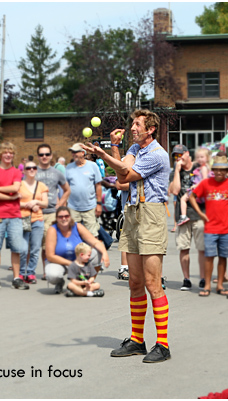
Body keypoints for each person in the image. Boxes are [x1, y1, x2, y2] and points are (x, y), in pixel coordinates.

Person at [82, 109, 172, 363]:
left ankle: (163, 344)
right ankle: (137, 340)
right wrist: (115, 148)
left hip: (151, 215)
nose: (132, 127)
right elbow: (123, 175)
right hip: (132, 213)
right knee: (134, 282)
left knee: (153, 283)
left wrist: (103, 153)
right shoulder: (135, 149)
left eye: (137, 124)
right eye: (132, 123)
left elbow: (128, 176)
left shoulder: (157, 154)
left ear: (150, 129)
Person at [189, 155, 228, 297]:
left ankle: (220, 285)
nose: (219, 172)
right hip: (210, 227)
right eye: (217, 170)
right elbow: (192, 196)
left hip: (226, 227)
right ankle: (207, 285)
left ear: (226, 171)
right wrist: (201, 214)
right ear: (213, 170)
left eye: (223, 170)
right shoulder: (206, 183)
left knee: (223, 257)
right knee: (209, 257)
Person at [0, 142, 28, 291]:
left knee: (16, 248)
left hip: (14, 215)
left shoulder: (16, 172)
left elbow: (15, 187)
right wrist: (11, 197)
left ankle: (17, 278)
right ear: (0, 154)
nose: (8, 155)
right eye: (5, 152)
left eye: (11, 153)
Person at [45, 206, 109, 294]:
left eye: (66, 216)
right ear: (56, 218)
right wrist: (72, 264)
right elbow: (50, 256)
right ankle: (60, 282)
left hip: (79, 260)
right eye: (60, 217)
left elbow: (95, 242)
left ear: (70, 217)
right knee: (52, 275)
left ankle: (87, 282)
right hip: (60, 262)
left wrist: (105, 253)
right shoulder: (52, 230)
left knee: (98, 252)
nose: (64, 219)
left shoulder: (77, 226)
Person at [169, 144, 206, 291]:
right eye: (176, 156)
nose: (179, 158)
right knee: (184, 248)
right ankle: (186, 279)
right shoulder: (174, 172)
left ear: (187, 154)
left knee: (202, 248)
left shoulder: (198, 167)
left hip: (199, 213)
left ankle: (203, 278)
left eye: (180, 155)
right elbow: (175, 190)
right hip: (183, 216)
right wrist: (177, 171)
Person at [35, 143, 71, 280]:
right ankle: (28, 272)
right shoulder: (33, 171)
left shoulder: (57, 173)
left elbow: (67, 190)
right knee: (33, 245)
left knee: (47, 244)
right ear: (38, 156)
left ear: (51, 156)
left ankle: (47, 271)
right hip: (35, 213)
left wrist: (60, 205)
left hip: (51, 213)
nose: (44, 157)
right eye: (41, 154)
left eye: (46, 154)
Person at [65, 143, 103, 239]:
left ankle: (94, 253)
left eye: (75, 152)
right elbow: (65, 188)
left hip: (90, 207)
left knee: (93, 235)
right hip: (73, 207)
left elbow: (98, 185)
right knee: (73, 235)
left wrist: (99, 204)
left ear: (83, 153)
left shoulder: (92, 166)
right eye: (72, 152)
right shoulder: (69, 167)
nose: (73, 154)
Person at [19, 160, 48, 284]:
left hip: (37, 220)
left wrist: (36, 203)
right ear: (24, 170)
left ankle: (30, 273)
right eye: (28, 168)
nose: (31, 169)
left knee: (35, 249)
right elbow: (14, 203)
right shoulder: (19, 185)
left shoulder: (41, 185)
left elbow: (45, 203)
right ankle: (21, 272)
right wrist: (27, 205)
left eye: (34, 168)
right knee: (23, 249)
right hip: (23, 219)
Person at [177, 148, 210, 226]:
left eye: (202, 157)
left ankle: (183, 216)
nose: (200, 159)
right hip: (198, 187)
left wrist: (196, 185)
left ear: (207, 158)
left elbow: (205, 180)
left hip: (197, 188)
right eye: (198, 157)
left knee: (183, 199)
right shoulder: (203, 167)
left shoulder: (204, 168)